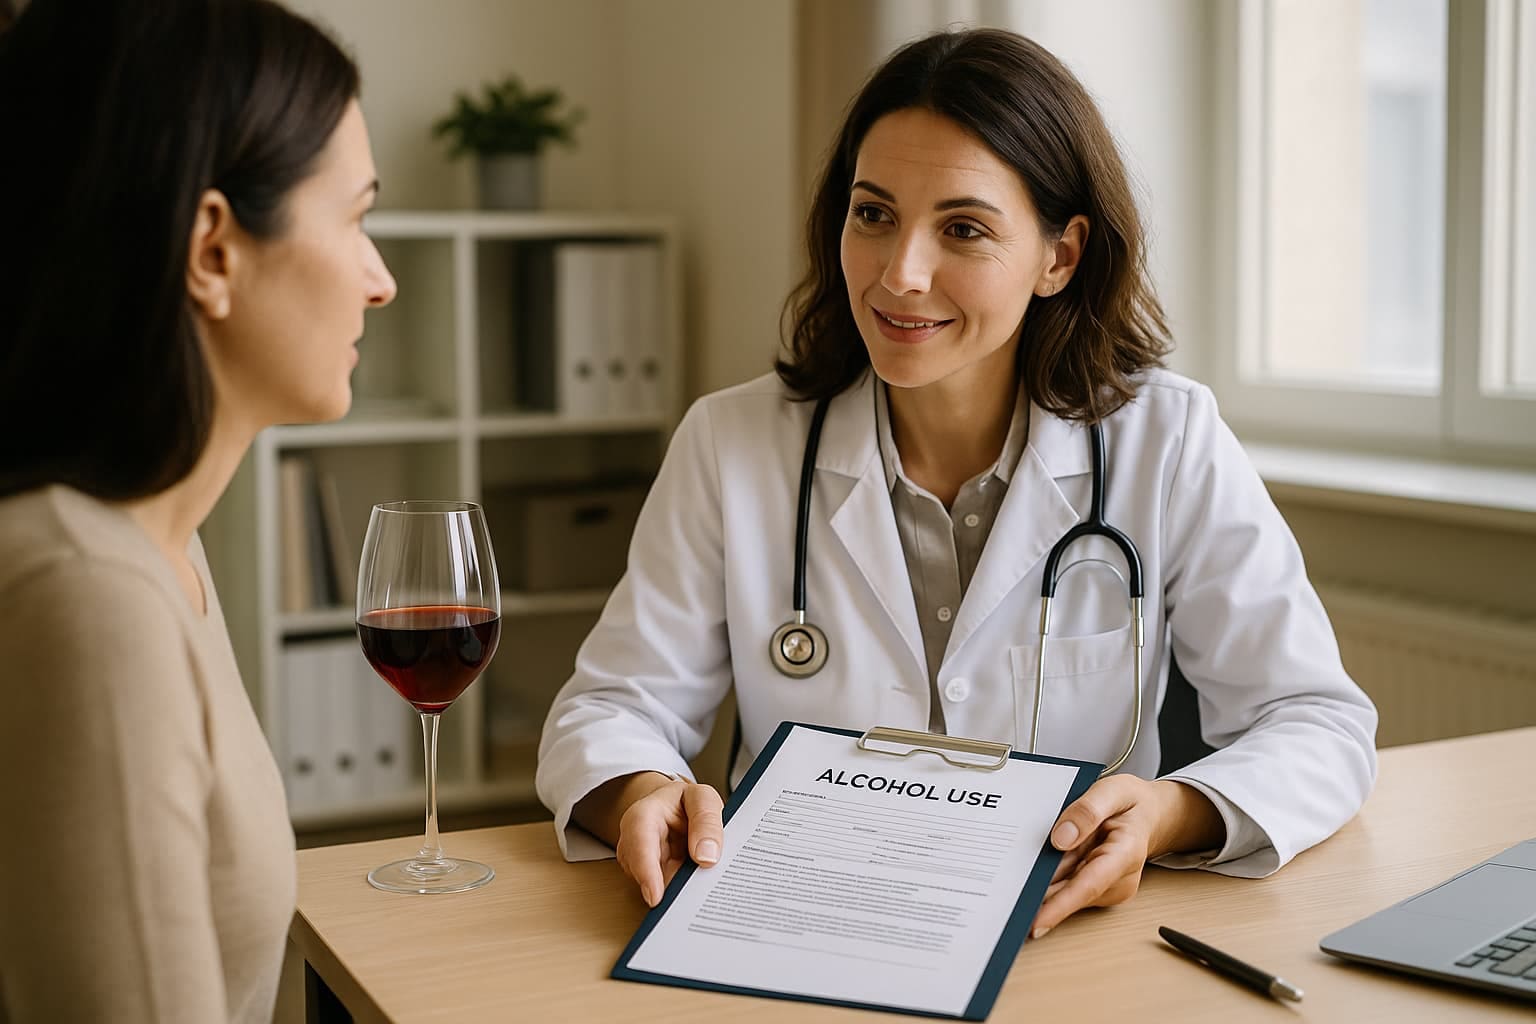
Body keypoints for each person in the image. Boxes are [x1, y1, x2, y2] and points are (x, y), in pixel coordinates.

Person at [537, 27, 1376, 935]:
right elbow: (612, 706)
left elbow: (1316, 721)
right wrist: (638, 793)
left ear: (1060, 256)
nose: (901, 274)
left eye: (964, 228)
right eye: (874, 214)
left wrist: (1172, 812)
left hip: (1064, 935)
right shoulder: (732, 444)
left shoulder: (1166, 441)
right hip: (793, 924)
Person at [0, 1, 396, 1019]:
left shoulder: (164, 546)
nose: (381, 280)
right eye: (355, 219)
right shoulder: (89, 598)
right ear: (213, 249)